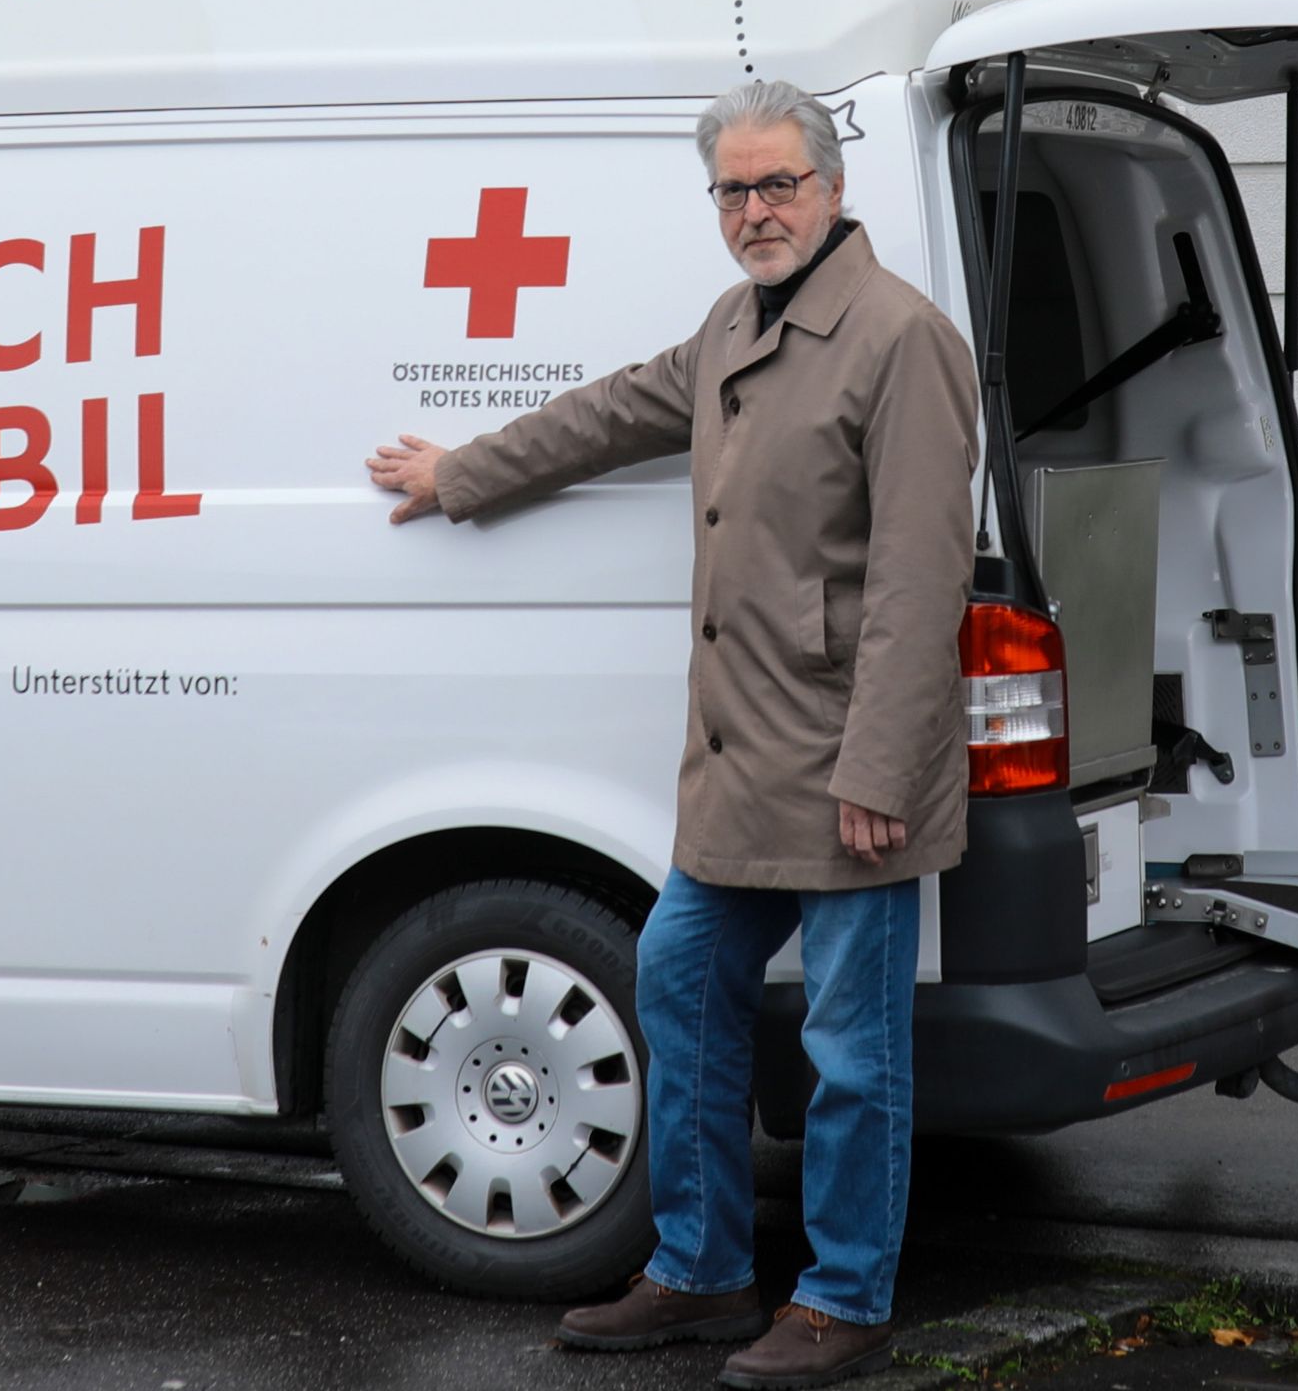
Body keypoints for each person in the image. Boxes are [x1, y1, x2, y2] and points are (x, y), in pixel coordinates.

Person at [370, 81, 975, 1386]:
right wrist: (460, 473)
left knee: (852, 1055)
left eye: (779, 186)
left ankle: (847, 1298)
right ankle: (701, 1272)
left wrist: (878, 769)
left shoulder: (899, 337)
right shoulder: (735, 326)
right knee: (679, 982)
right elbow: (613, 410)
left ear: (832, 188)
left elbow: (925, 585)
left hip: (851, 768)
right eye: (734, 191)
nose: (756, 211)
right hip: (743, 763)